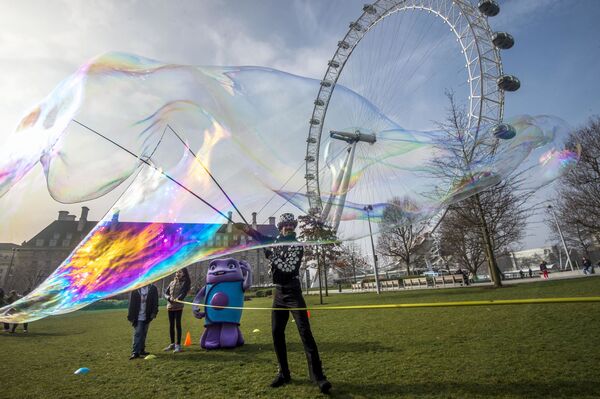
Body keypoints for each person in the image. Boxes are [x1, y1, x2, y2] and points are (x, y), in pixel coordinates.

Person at [245, 213, 331, 394]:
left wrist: (271, 256)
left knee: (305, 332)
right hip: (278, 292)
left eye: (292, 225)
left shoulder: (297, 246)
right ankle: (284, 373)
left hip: (293, 292)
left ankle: (318, 376)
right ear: (281, 227)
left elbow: (288, 268)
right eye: (286, 225)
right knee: (277, 333)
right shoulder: (275, 241)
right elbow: (260, 237)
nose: (289, 228)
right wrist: (246, 229)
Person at [127, 284, 159, 359]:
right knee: (138, 333)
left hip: (147, 315)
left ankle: (141, 350)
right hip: (137, 316)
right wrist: (130, 316)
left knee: (144, 332)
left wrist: (154, 312)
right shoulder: (135, 288)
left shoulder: (153, 288)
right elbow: (131, 303)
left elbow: (155, 301)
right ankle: (135, 352)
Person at [163, 268, 191, 353]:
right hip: (170, 306)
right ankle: (172, 344)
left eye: (180, 272)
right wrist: (168, 298)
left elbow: (183, 293)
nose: (177, 273)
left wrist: (178, 299)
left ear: (183, 273)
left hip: (178, 306)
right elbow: (165, 293)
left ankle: (178, 345)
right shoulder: (172, 282)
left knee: (177, 325)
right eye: (177, 272)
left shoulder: (185, 283)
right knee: (171, 325)